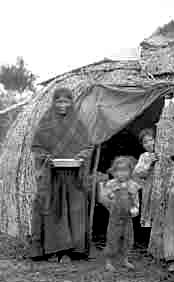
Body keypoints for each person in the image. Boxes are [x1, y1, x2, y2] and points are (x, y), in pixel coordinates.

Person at [30, 87, 94, 262]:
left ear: (72, 103)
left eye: (66, 101)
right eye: (59, 101)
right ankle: (52, 249)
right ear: (53, 102)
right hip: (51, 175)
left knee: (74, 209)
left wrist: (81, 156)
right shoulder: (45, 123)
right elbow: (36, 147)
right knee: (53, 209)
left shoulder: (78, 124)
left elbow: (88, 147)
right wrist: (46, 157)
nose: (62, 105)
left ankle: (70, 250)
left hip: (73, 176)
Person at [103, 155, 141, 271]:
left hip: (127, 217)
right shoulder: (111, 184)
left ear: (130, 171)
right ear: (114, 172)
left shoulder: (132, 185)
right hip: (115, 217)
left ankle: (125, 259)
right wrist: (110, 197)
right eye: (118, 170)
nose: (121, 174)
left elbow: (135, 200)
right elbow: (105, 199)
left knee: (128, 238)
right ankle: (109, 260)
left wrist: (135, 208)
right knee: (112, 237)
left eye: (124, 170)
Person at [132, 128, 159, 247]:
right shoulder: (144, 156)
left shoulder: (163, 151)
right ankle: (148, 240)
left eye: (151, 140)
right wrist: (149, 164)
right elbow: (138, 173)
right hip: (149, 187)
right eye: (145, 142)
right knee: (149, 210)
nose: (149, 144)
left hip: (160, 188)